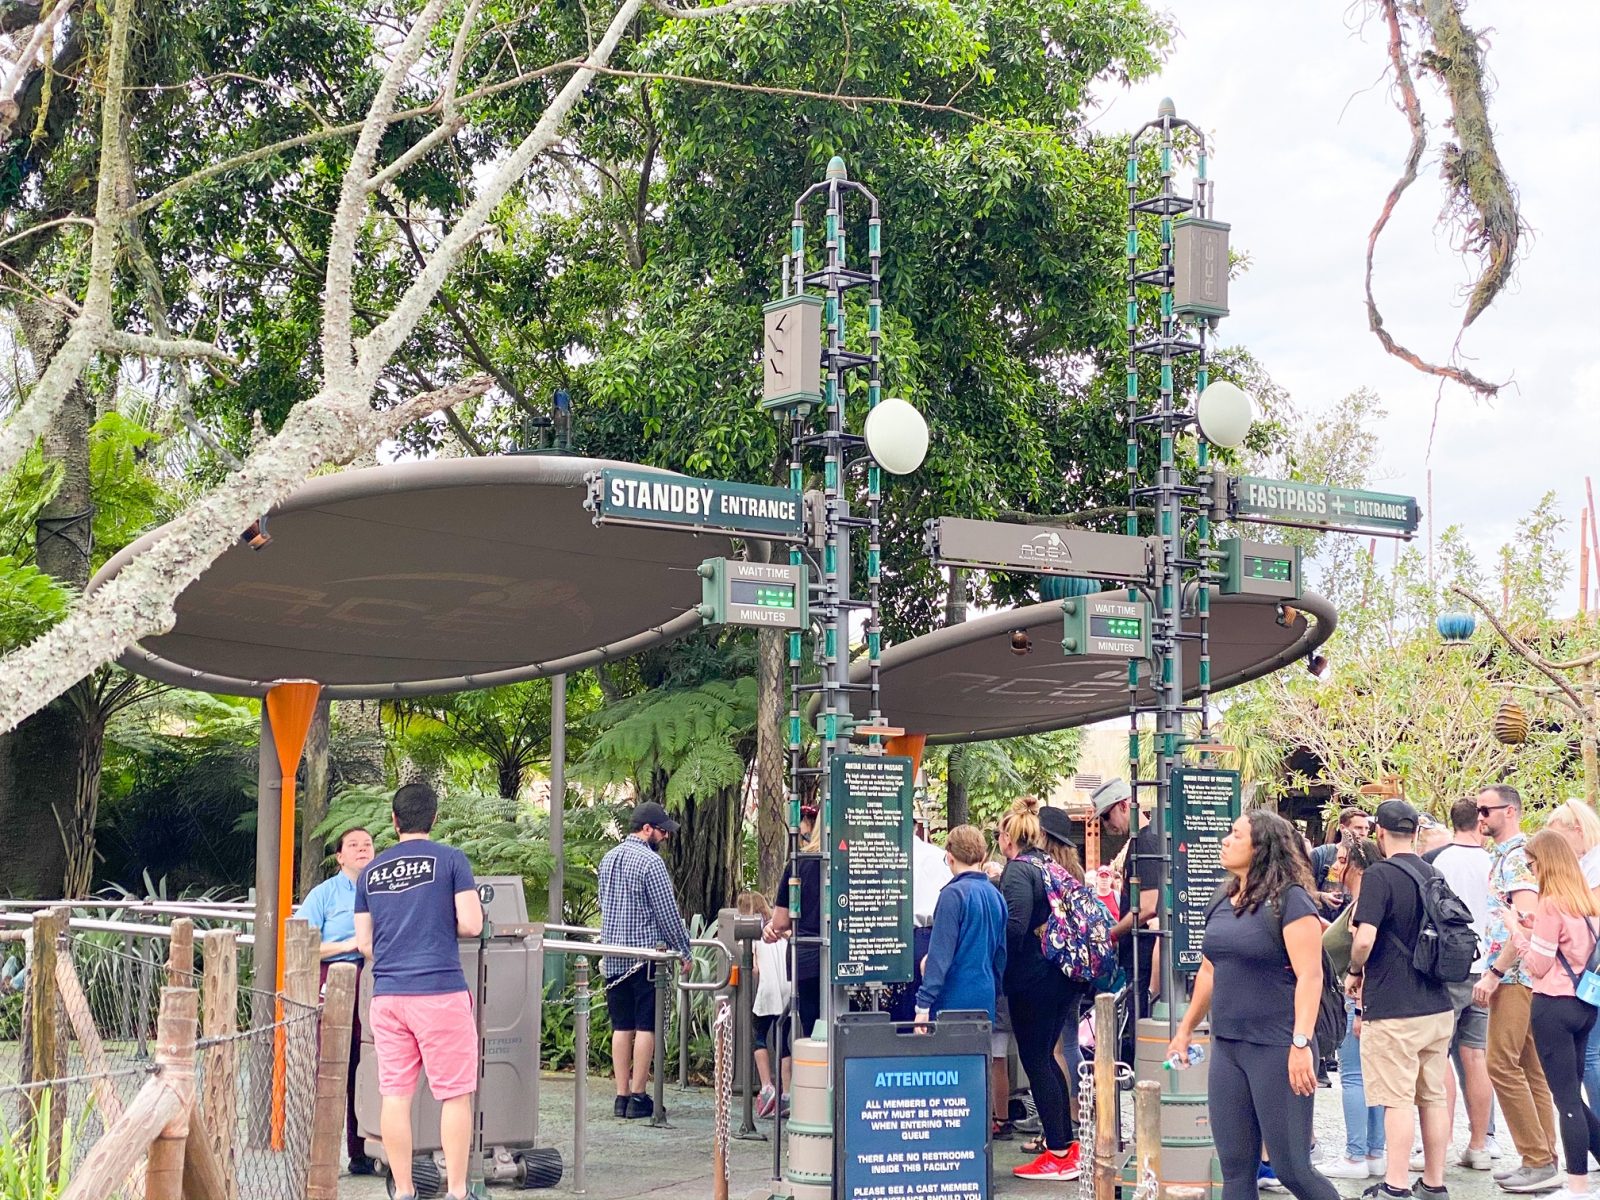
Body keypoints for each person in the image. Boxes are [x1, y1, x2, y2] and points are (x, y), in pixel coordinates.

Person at [1166, 809, 1339, 1200]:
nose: (1225, 840)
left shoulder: (1292, 901)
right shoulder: (1222, 897)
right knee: (1236, 1172)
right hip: (1229, 1047)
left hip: (1277, 1048)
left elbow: (1311, 977)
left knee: (1293, 1169)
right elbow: (1209, 969)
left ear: (1261, 847)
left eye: (1236, 835)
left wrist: (1299, 1045)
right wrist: (1185, 1028)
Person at [353, 784, 482, 1200]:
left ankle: (404, 1191)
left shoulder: (371, 872)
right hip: (439, 990)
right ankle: (458, 1191)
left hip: (388, 996)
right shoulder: (451, 860)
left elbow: (364, 944)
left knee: (394, 1096)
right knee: (455, 1096)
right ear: (434, 819)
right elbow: (472, 925)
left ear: (394, 821)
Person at [1345, 799, 1455, 1200]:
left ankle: (1395, 1185)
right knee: (1433, 1098)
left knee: (1397, 1101)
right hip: (1438, 1004)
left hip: (1394, 1007)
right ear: (1415, 832)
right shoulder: (1435, 873)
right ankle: (1435, 1183)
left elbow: (1365, 939)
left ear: (1379, 832)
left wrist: (1355, 971)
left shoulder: (1378, 875)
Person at [1475, 784, 1562, 1192]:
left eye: (1485, 810)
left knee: (1501, 1064)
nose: (1479, 817)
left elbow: (1525, 919)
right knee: (1529, 1068)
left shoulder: (1516, 860)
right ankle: (1543, 1158)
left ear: (1509, 811)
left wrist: (1495, 970)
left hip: (1514, 975)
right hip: (1523, 975)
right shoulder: (1512, 857)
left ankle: (1538, 1159)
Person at [998, 797, 1089, 1180]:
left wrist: (995, 957)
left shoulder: (1018, 871)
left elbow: (1015, 925)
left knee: (1037, 1061)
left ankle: (1057, 1152)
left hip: (1033, 980)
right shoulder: (1048, 864)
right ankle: (1066, 1146)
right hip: (1062, 975)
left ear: (1008, 837)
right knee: (1048, 1060)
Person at [1516, 830, 1600, 1200]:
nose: (1531, 872)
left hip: (1553, 1005)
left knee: (1564, 1099)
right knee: (1574, 1096)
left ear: (1545, 862)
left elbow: (1538, 964)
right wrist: (1536, 930)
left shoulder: (1550, 903)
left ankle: (1578, 1186)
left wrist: (1517, 934)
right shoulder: (1586, 903)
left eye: (1533, 864)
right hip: (1585, 1005)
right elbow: (1574, 946)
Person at [597, 800, 693, 1121]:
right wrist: (684, 949)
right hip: (645, 957)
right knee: (646, 1026)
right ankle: (639, 1095)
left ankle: (621, 1096)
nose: (665, 837)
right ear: (647, 829)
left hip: (612, 956)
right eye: (662, 831)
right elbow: (667, 913)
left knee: (621, 1027)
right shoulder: (651, 864)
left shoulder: (607, 859)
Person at [297, 825, 377, 1175]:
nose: (362, 849)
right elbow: (301, 942)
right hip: (336, 978)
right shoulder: (324, 894)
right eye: (353, 845)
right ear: (340, 856)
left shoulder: (383, 888)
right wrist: (348, 946)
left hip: (376, 981)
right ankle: (318, 1152)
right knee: (331, 1064)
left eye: (368, 844)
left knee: (368, 1064)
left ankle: (363, 1152)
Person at [1425, 797, 1496, 1170]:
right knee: (1476, 1056)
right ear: (1480, 822)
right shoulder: (1495, 862)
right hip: (1486, 969)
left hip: (1448, 967)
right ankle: (1480, 1145)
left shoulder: (1436, 860)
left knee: (1439, 1056)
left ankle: (1444, 1141)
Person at [1320, 836, 1388, 1179]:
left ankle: (1355, 1154)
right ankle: (1375, 1151)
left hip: (1354, 997)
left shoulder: (1363, 904)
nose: (1335, 864)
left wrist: (1358, 1005)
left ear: (1356, 864)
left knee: (1354, 1077)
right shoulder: (1363, 901)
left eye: (1342, 858)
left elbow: (1365, 949)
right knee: (1370, 1077)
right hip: (1365, 998)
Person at [1093, 778, 1162, 1064]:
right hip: (1139, 954)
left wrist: (1111, 933)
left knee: (1139, 1028)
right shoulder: (1140, 841)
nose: (1106, 825)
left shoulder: (1145, 841)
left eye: (1107, 816)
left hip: (1143, 956)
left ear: (1124, 806)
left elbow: (1147, 907)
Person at [914, 823, 1007, 1032]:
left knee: (951, 1062)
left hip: (953, 999)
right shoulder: (996, 896)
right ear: (983, 857)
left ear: (949, 857)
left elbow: (940, 955)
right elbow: (1000, 956)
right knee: (978, 1062)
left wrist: (923, 1004)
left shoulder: (953, 895)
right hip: (985, 996)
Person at [1546, 799, 1600, 1110]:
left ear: (1577, 831)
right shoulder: (1584, 864)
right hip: (1585, 969)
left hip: (1589, 970)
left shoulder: (1593, 865)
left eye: (1560, 838)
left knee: (1591, 1055)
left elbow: (1588, 912)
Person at [766, 812, 823, 1045]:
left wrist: (775, 928)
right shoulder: (857, 861)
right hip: (848, 955)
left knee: (812, 1028)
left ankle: (817, 1077)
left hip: (806, 956)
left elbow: (780, 921)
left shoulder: (799, 863)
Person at [891, 816, 953, 1022]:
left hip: (895, 937)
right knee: (929, 1008)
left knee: (898, 1011)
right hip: (933, 939)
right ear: (916, 827)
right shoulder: (940, 856)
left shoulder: (885, 856)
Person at [741, 890, 790, 1119]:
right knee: (783, 1041)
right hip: (787, 988)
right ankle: (787, 1093)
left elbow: (754, 966)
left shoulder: (754, 932)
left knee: (758, 1035)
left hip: (768, 989)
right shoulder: (778, 929)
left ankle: (767, 1086)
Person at [1313, 807, 1370, 906]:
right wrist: (1321, 896)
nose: (1363, 833)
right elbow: (1299, 891)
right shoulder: (1320, 855)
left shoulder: (1370, 858)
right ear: (1343, 828)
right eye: (1358, 828)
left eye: (1366, 828)